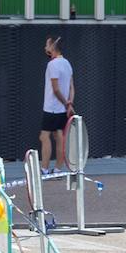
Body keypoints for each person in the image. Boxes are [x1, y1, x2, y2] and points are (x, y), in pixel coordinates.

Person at [39, 36, 75, 172]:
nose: (45, 48)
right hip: (61, 109)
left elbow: (55, 89)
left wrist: (66, 104)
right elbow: (72, 87)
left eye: (47, 45)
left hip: (52, 108)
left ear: (53, 48)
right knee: (59, 136)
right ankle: (58, 169)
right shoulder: (67, 63)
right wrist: (69, 103)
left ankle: (44, 169)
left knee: (44, 136)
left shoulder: (52, 65)